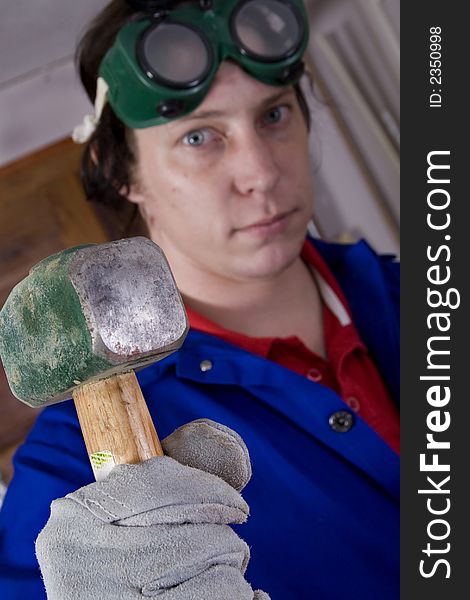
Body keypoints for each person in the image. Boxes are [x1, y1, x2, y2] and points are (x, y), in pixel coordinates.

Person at [0, 0, 400, 598]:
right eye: (198, 135)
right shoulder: (76, 475)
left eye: (273, 115)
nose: (260, 171)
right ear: (119, 172)